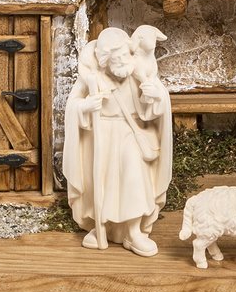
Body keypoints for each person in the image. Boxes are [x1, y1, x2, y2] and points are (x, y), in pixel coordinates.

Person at [63, 25, 173, 254]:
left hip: (130, 132)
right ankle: (102, 227)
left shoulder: (137, 72)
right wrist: (85, 106)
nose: (123, 61)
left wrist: (154, 97)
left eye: (125, 54)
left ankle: (133, 232)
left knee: (133, 176)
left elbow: (156, 102)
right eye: (117, 57)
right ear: (106, 60)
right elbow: (73, 104)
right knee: (102, 181)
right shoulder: (92, 77)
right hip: (101, 135)